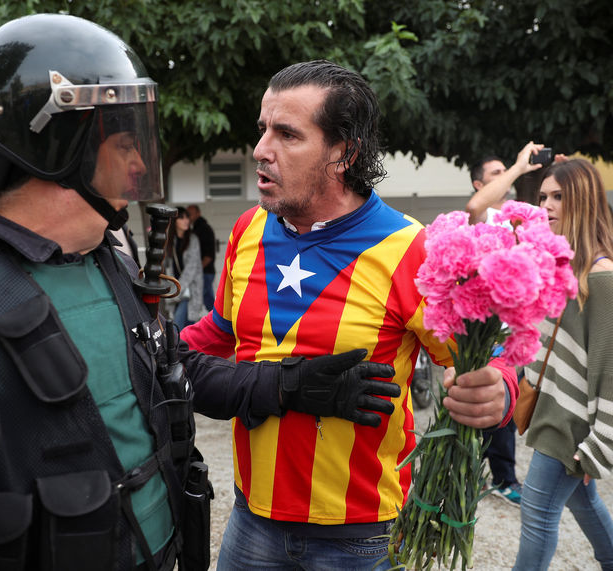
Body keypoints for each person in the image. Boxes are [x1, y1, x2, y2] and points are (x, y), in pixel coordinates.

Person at [0, 16, 401, 571]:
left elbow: (174, 371)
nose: (142, 161)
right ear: (58, 150)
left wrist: (288, 385)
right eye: (124, 143)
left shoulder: (106, 263)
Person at [181, 59, 519, 570]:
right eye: (263, 129)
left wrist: (500, 389)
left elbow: (488, 358)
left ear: (343, 152)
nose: (260, 150)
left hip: (361, 541)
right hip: (250, 522)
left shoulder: (411, 249)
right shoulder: (247, 230)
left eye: (287, 134)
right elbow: (220, 333)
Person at [513, 157, 613, 571]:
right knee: (584, 506)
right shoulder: (564, 268)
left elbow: (609, 371)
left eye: (559, 196)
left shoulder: (602, 277)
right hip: (552, 412)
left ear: (583, 200)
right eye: (543, 196)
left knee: (536, 515)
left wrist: (598, 447)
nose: (547, 205)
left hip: (572, 426)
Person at [465, 141, 546, 505]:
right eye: (495, 175)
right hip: (480, 333)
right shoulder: (483, 216)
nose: (507, 179)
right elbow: (474, 206)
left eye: (505, 173)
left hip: (510, 332)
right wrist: (516, 166)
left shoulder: (521, 214)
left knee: (504, 405)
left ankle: (502, 477)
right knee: (478, 404)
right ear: (479, 185)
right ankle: (476, 476)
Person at [163, 206, 204, 329]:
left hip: (188, 291)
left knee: (177, 327)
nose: (186, 220)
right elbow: (166, 266)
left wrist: (178, 290)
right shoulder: (169, 241)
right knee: (187, 328)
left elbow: (191, 269)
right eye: (182, 218)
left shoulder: (193, 240)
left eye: (187, 217)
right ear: (174, 221)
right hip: (173, 291)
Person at [187, 204, 217, 310]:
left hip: (204, 272)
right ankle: (218, 322)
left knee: (195, 299)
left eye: (190, 214)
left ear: (198, 213)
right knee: (208, 300)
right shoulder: (197, 229)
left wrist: (197, 270)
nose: (188, 217)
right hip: (206, 271)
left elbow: (208, 255)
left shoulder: (203, 229)